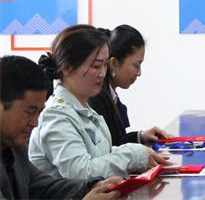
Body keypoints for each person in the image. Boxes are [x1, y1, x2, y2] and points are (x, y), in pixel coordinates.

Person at [28, 25, 169, 179]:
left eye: (104, 65)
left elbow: (102, 154)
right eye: (96, 66)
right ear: (68, 68)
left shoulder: (84, 109)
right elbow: (81, 172)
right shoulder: (56, 116)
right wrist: (132, 155)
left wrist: (139, 152)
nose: (102, 73)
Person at [0, 55, 122, 199]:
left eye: (39, 112)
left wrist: (92, 186)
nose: (35, 122)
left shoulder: (16, 148)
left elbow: (44, 186)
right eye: (30, 112)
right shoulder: (56, 117)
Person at [89, 25, 169, 147]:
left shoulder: (110, 95)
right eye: (136, 65)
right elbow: (108, 150)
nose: (139, 73)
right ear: (113, 63)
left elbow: (117, 142)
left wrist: (141, 136)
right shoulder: (96, 99)